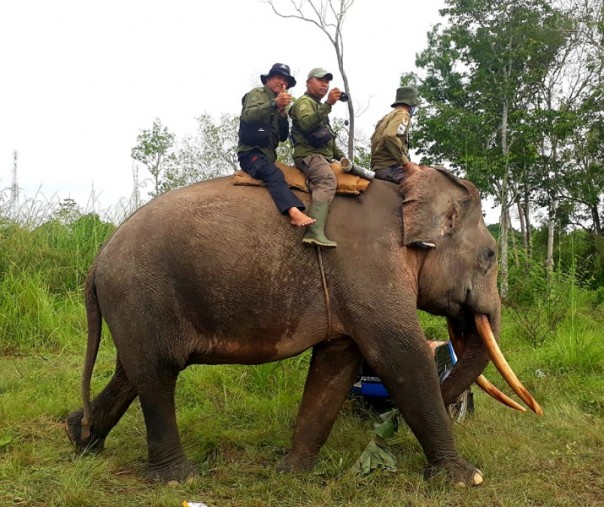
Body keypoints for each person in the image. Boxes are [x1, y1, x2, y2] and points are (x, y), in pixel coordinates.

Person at [237, 63, 315, 227]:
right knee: (273, 174)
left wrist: (281, 115)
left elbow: (283, 137)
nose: (282, 83)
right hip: (251, 153)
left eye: (285, 80)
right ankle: (293, 211)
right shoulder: (257, 94)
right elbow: (248, 116)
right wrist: (273, 103)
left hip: (267, 156)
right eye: (279, 78)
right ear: (269, 79)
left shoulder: (279, 104)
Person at [289, 67, 346, 248]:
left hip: (321, 156)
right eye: (320, 80)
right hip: (309, 156)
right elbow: (307, 124)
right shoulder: (304, 102)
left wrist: (342, 158)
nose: (325, 84)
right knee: (327, 180)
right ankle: (313, 232)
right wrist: (328, 104)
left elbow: (327, 140)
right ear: (308, 82)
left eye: (327, 81)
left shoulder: (318, 106)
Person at [370, 85, 422, 184]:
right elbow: (389, 136)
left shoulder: (387, 117)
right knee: (421, 183)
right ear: (411, 104)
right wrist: (406, 163)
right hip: (390, 168)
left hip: (379, 166)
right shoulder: (403, 115)